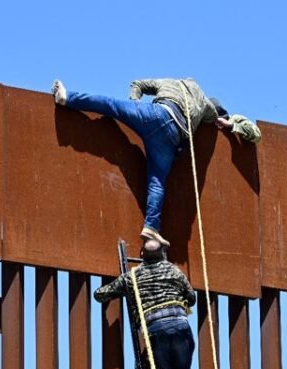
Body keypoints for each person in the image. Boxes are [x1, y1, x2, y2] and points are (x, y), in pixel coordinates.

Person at [51, 77, 260, 246]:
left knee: (111, 105)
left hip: (156, 115)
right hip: (173, 136)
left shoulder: (168, 82)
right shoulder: (206, 104)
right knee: (157, 181)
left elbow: (137, 84)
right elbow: (219, 120)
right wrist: (232, 124)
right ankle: (151, 226)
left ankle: (67, 98)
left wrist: (134, 106)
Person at [93, 239, 196, 369]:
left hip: (155, 329)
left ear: (142, 255)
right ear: (162, 253)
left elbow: (100, 294)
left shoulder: (132, 276)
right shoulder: (173, 271)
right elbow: (192, 298)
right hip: (180, 326)